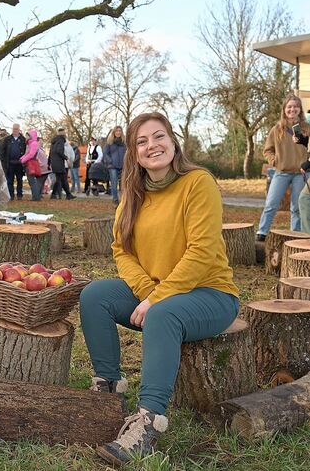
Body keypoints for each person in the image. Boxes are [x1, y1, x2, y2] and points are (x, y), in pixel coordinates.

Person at [80, 112, 239, 466]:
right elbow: (121, 250)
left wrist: (157, 297)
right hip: (155, 292)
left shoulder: (199, 183)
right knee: (95, 295)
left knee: (164, 314)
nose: (152, 145)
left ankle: (148, 426)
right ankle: (107, 393)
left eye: (159, 136)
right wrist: (146, 290)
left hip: (210, 293)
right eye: (142, 141)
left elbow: (201, 250)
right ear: (134, 153)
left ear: (173, 141)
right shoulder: (132, 194)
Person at [256, 94, 309, 241]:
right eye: (289, 107)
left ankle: (295, 235)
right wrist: (274, 161)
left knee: (297, 207)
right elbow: (268, 150)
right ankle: (262, 232)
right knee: (271, 204)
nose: (292, 109)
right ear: (285, 109)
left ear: (300, 109)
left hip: (301, 174)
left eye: (295, 106)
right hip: (281, 172)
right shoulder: (277, 129)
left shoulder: (307, 128)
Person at [20, 129, 51, 201]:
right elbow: (27, 154)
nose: (26, 137)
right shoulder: (30, 144)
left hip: (31, 164)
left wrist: (23, 160)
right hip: (30, 164)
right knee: (34, 182)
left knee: (33, 182)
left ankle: (36, 197)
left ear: (30, 136)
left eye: (27, 135)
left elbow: (31, 154)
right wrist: (22, 158)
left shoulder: (33, 144)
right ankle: (37, 196)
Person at [0, 123, 27, 200]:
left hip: (19, 164)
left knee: (19, 180)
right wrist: (4, 162)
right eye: (14, 129)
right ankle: (11, 195)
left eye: (16, 129)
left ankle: (19, 195)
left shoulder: (22, 139)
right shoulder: (7, 139)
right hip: (10, 163)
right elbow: (3, 151)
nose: (15, 130)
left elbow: (25, 151)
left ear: (19, 130)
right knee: (10, 180)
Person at [49, 128, 76, 200]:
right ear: (63, 134)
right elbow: (59, 151)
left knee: (61, 178)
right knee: (62, 179)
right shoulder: (61, 140)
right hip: (59, 163)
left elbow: (50, 152)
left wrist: (49, 162)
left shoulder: (53, 141)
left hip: (54, 162)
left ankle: (56, 194)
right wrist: (66, 157)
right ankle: (66, 194)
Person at [103, 126, 126, 205]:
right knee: (114, 183)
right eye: (117, 131)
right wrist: (110, 161)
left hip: (123, 166)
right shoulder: (109, 142)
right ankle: (115, 200)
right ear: (114, 132)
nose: (118, 132)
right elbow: (105, 153)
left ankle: (124, 200)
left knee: (123, 184)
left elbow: (128, 153)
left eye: (120, 131)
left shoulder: (124, 142)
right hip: (113, 166)